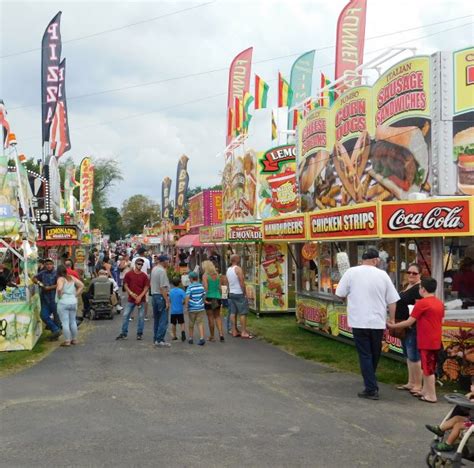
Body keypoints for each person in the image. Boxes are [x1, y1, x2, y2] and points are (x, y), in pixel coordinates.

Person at [335, 248, 400, 400]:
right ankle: (371, 384)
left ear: (362, 259)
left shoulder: (351, 272)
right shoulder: (382, 275)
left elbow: (339, 294)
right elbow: (392, 300)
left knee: (365, 355)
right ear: (376, 260)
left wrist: (347, 299)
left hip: (358, 320)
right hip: (377, 321)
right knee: (374, 353)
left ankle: (371, 387)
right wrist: (392, 319)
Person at [388, 277, 445, 403]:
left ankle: (432, 395)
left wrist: (393, 326)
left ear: (423, 289)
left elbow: (409, 321)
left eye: (419, 287)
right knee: (426, 366)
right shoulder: (439, 303)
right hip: (435, 339)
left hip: (426, 340)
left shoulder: (422, 303)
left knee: (428, 368)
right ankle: (425, 390)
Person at [392, 263, 423, 394]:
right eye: (408, 272)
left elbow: (419, 307)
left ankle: (418, 384)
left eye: (414, 273)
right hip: (403, 325)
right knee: (408, 355)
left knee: (414, 356)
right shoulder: (407, 286)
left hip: (411, 326)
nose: (411, 275)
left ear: (420, 275)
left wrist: (411, 321)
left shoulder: (419, 289)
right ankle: (411, 382)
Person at [425, 384, 474, 451]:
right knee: (456, 418)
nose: (471, 386)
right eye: (472, 385)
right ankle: (440, 429)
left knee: (458, 425)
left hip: (472, 423)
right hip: (471, 420)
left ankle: (448, 444)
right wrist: (470, 394)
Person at [116, 258, 149, 341]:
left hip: (141, 299)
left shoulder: (144, 276)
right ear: (135, 264)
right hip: (131, 298)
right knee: (125, 315)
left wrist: (140, 296)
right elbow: (125, 285)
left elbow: (146, 287)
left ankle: (139, 333)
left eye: (141, 264)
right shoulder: (129, 274)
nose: (140, 265)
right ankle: (124, 333)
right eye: (138, 263)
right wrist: (131, 293)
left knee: (141, 317)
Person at [56, 265, 84, 346]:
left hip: (64, 302)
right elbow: (81, 285)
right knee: (73, 321)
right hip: (73, 301)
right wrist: (76, 294)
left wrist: (59, 296)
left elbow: (59, 288)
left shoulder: (60, 279)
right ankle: (74, 339)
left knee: (65, 322)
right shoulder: (71, 277)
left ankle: (67, 340)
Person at [226, 254, 253, 339]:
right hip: (239, 293)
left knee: (233, 313)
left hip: (232, 293)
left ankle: (234, 330)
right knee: (243, 313)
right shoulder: (238, 269)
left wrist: (229, 291)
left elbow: (227, 282)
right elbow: (242, 282)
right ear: (237, 260)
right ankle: (243, 331)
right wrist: (244, 293)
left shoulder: (228, 269)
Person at [34, 258, 61, 340]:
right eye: (47, 264)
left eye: (50, 264)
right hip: (45, 299)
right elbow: (34, 278)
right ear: (45, 265)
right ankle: (55, 329)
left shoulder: (57, 273)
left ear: (53, 265)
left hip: (55, 298)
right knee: (43, 315)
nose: (49, 266)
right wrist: (39, 283)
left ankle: (55, 335)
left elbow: (59, 284)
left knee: (57, 317)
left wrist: (49, 287)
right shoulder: (42, 273)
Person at [150, 254, 171, 347]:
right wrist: (167, 300)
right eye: (167, 261)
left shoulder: (154, 269)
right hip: (160, 296)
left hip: (154, 295)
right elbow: (162, 287)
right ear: (164, 261)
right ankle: (160, 339)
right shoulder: (162, 271)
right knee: (163, 319)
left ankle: (156, 339)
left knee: (157, 319)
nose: (168, 262)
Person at [202, 260, 225, 342]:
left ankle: (212, 336)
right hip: (217, 297)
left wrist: (204, 299)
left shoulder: (205, 276)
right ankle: (221, 334)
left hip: (209, 297)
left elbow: (206, 288)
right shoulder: (217, 275)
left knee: (210, 318)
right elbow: (219, 287)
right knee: (218, 317)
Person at [185, 271, 206, 345]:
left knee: (191, 323)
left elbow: (187, 296)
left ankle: (190, 338)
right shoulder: (201, 286)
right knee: (200, 323)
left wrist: (186, 306)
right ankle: (202, 338)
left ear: (191, 278)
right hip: (200, 307)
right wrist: (202, 302)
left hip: (192, 308)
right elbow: (204, 295)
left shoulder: (190, 287)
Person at [169, 277, 186, 341]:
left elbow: (169, 300)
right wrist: (183, 302)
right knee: (182, 323)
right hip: (180, 310)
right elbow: (185, 298)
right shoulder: (181, 291)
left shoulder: (171, 291)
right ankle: (183, 332)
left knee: (173, 323)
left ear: (173, 284)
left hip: (173, 311)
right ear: (179, 283)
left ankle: (174, 336)